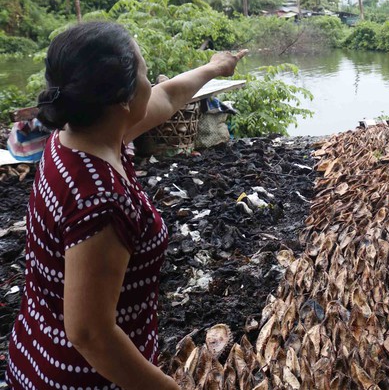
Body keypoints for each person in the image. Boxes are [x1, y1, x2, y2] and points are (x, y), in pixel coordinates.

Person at [6, 21, 247, 389]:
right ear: (122, 99)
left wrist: (215, 67)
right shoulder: (100, 200)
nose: (151, 83)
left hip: (37, 349)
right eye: (145, 73)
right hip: (85, 378)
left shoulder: (77, 135)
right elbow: (91, 334)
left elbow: (166, 98)